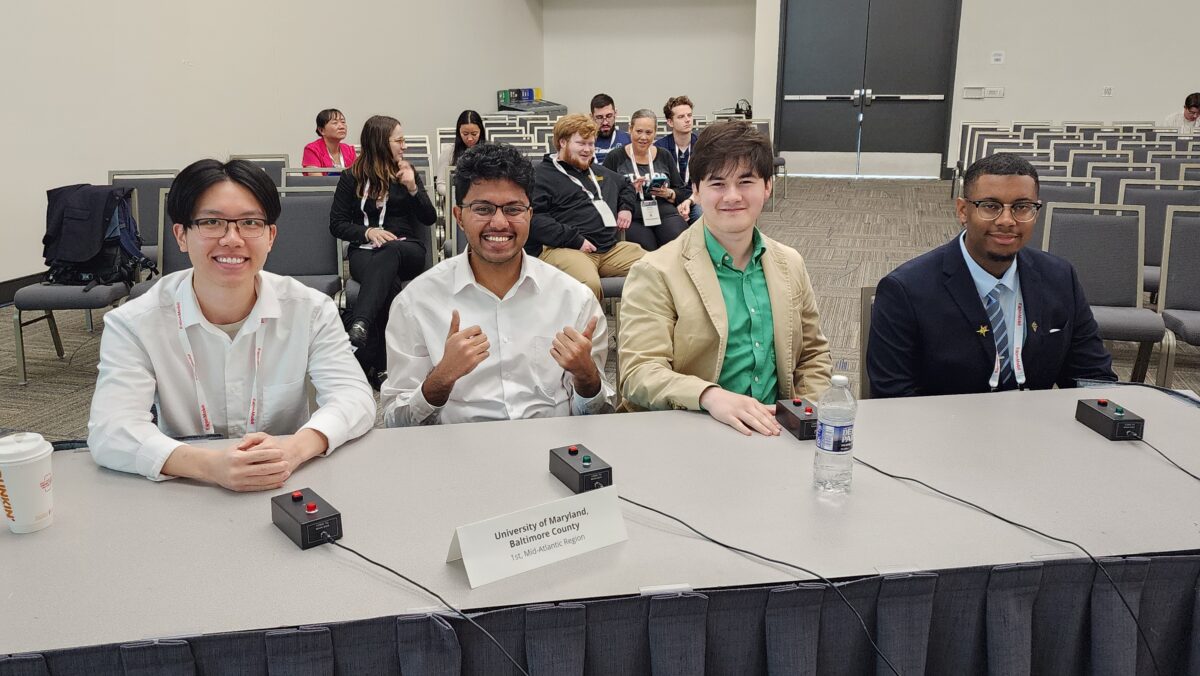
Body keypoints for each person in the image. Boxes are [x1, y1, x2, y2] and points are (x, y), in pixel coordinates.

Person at [87, 159, 375, 490]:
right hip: (186, 487)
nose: (232, 239)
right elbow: (111, 429)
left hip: (286, 480)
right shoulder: (134, 323)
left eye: (250, 222)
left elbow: (354, 397)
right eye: (212, 222)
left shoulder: (311, 310)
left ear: (270, 236)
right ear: (181, 235)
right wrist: (209, 466)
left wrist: (294, 448)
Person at [618, 121, 833, 436]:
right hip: (692, 432)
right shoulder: (656, 271)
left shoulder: (789, 263)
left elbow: (813, 354)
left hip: (776, 433)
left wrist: (804, 411)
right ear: (695, 190)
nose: (732, 196)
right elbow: (639, 374)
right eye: (717, 184)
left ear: (767, 187)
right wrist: (708, 396)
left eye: (746, 181)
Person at [382, 143, 615, 425]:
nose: (500, 223)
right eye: (483, 209)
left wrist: (587, 377)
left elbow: (597, 419)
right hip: (458, 454)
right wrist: (441, 379)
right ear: (459, 217)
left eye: (514, 209)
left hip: (551, 450)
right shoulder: (416, 303)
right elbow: (396, 422)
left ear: (530, 215)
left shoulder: (574, 298)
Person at [867, 153, 1117, 398]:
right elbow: (893, 396)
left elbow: (1092, 376)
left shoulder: (1060, 277)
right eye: (990, 206)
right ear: (963, 211)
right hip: (943, 431)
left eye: (1022, 207)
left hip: (1034, 429)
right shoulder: (906, 290)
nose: (1007, 220)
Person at [330, 115, 435, 384]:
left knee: (389, 252)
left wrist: (413, 188)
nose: (405, 146)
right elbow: (337, 224)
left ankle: (360, 325)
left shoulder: (408, 174)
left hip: (406, 250)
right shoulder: (350, 178)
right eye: (399, 140)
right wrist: (367, 231)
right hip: (364, 251)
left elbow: (429, 218)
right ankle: (384, 367)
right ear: (380, 142)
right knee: (387, 285)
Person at [528, 114, 645, 300]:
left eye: (591, 144)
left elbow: (626, 186)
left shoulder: (597, 171)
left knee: (657, 267)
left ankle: (641, 328)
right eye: (581, 143)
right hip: (565, 249)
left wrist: (625, 208)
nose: (587, 150)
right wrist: (575, 240)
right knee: (588, 285)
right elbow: (534, 219)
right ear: (562, 142)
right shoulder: (540, 175)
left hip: (608, 249)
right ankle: (591, 330)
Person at [603, 108, 690, 251]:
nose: (643, 137)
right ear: (630, 130)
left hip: (664, 213)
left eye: (649, 132)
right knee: (645, 247)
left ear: (655, 133)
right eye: (639, 131)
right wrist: (628, 190)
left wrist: (669, 193)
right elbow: (605, 193)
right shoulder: (615, 157)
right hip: (633, 215)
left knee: (679, 241)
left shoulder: (664, 155)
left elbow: (681, 190)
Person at [655, 95, 702, 223]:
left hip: (695, 199)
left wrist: (689, 201)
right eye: (681, 117)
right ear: (670, 122)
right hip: (668, 199)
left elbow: (705, 182)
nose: (687, 120)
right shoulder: (659, 148)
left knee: (700, 213)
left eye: (689, 115)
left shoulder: (702, 145)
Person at [435, 110, 486, 197]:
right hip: (457, 200)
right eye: (465, 134)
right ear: (459, 132)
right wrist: (457, 194)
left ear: (480, 132)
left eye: (474, 134)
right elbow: (440, 184)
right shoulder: (449, 152)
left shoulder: (489, 152)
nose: (470, 138)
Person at [590, 93, 631, 164]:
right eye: (599, 117)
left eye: (609, 116)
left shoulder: (628, 139)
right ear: (592, 117)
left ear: (615, 113)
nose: (605, 122)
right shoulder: (585, 141)